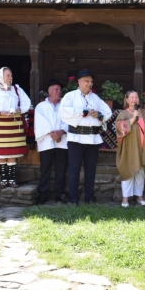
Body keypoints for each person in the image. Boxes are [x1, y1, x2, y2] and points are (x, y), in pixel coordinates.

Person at [60, 69, 112, 204]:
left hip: (93, 139)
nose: (89, 84)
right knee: (74, 170)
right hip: (76, 138)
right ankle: (73, 200)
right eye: (86, 81)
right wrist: (84, 112)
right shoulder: (70, 96)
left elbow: (108, 113)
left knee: (90, 171)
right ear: (79, 82)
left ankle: (89, 199)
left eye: (91, 81)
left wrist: (98, 115)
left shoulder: (96, 98)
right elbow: (64, 112)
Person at [0, 67, 31, 189]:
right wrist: (0, 113)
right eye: (7, 75)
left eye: (11, 76)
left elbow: (27, 103)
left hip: (13, 126)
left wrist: (19, 110)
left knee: (12, 154)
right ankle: (4, 179)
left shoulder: (16, 89)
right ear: (0, 76)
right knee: (1, 154)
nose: (10, 78)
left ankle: (12, 179)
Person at [115, 90, 145, 207]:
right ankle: (125, 199)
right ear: (127, 100)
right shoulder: (123, 114)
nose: (134, 100)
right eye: (132, 98)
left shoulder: (144, 112)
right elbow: (120, 129)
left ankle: (139, 196)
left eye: (136, 97)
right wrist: (132, 119)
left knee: (140, 173)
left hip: (143, 148)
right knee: (128, 171)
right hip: (130, 149)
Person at [34, 78, 69, 205]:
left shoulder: (65, 106)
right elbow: (40, 122)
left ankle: (60, 194)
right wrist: (53, 133)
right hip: (46, 141)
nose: (58, 91)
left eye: (60, 89)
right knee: (45, 169)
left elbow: (69, 120)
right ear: (49, 92)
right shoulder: (41, 106)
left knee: (61, 169)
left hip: (62, 141)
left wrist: (61, 132)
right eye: (56, 89)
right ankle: (43, 194)